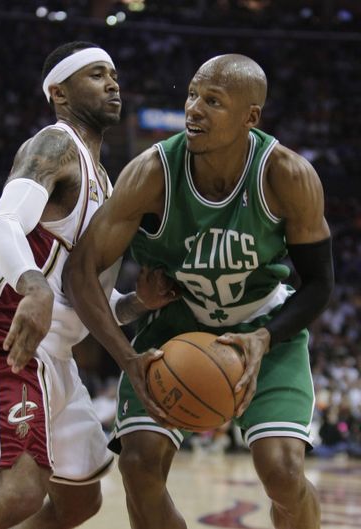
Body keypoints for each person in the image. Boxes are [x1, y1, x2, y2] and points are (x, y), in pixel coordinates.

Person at [63, 53, 334, 529]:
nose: (193, 108)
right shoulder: (152, 173)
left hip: (262, 326)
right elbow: (80, 271)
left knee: (283, 472)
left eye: (213, 100)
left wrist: (266, 337)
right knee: (139, 464)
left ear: (251, 116)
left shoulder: (287, 175)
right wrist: (128, 357)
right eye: (191, 94)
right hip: (174, 328)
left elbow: (319, 283)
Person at [0, 41, 175, 529]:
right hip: (7, 335)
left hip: (57, 354)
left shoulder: (104, 179)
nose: (113, 83)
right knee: (20, 495)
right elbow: (0, 228)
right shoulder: (54, 144)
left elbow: (84, 302)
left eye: (114, 74)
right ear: (59, 92)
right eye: (97, 74)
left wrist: (138, 303)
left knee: (81, 502)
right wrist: (32, 287)